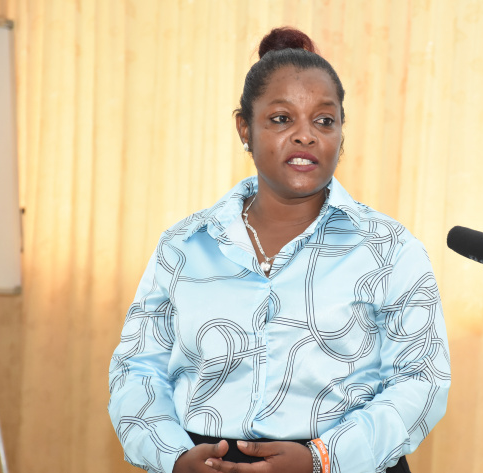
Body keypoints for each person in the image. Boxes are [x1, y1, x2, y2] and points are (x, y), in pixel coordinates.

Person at [108, 27, 451, 473]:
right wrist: (174, 459)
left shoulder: (389, 249)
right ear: (244, 129)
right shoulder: (185, 244)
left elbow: (421, 381)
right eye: (281, 119)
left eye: (324, 121)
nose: (305, 136)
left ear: (341, 134)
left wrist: (320, 460)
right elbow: (137, 370)